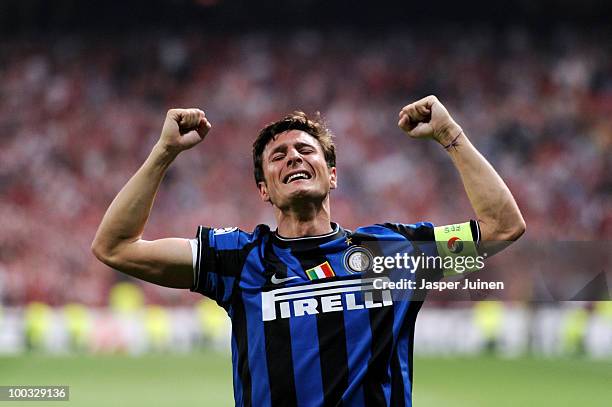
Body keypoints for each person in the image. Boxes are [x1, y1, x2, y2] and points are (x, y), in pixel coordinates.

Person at [92, 95, 525, 406]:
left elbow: (502, 226)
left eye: (305, 149)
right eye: (277, 156)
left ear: (332, 175)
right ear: (264, 189)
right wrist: (164, 152)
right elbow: (115, 246)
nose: (293, 158)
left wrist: (450, 134)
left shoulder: (392, 253)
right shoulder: (239, 258)